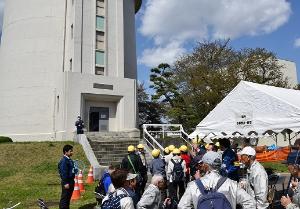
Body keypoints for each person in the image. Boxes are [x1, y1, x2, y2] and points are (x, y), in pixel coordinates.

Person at [178, 151, 256, 209]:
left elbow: (182, 206)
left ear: (205, 165)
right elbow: (250, 203)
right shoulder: (231, 184)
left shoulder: (193, 185)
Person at [58, 144, 78, 209]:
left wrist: (74, 170)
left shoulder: (69, 160)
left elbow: (71, 170)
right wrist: (66, 182)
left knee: (68, 198)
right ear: (66, 152)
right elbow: (63, 172)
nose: (72, 152)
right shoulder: (64, 161)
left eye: (72, 151)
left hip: (71, 181)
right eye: (70, 151)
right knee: (64, 198)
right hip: (67, 182)